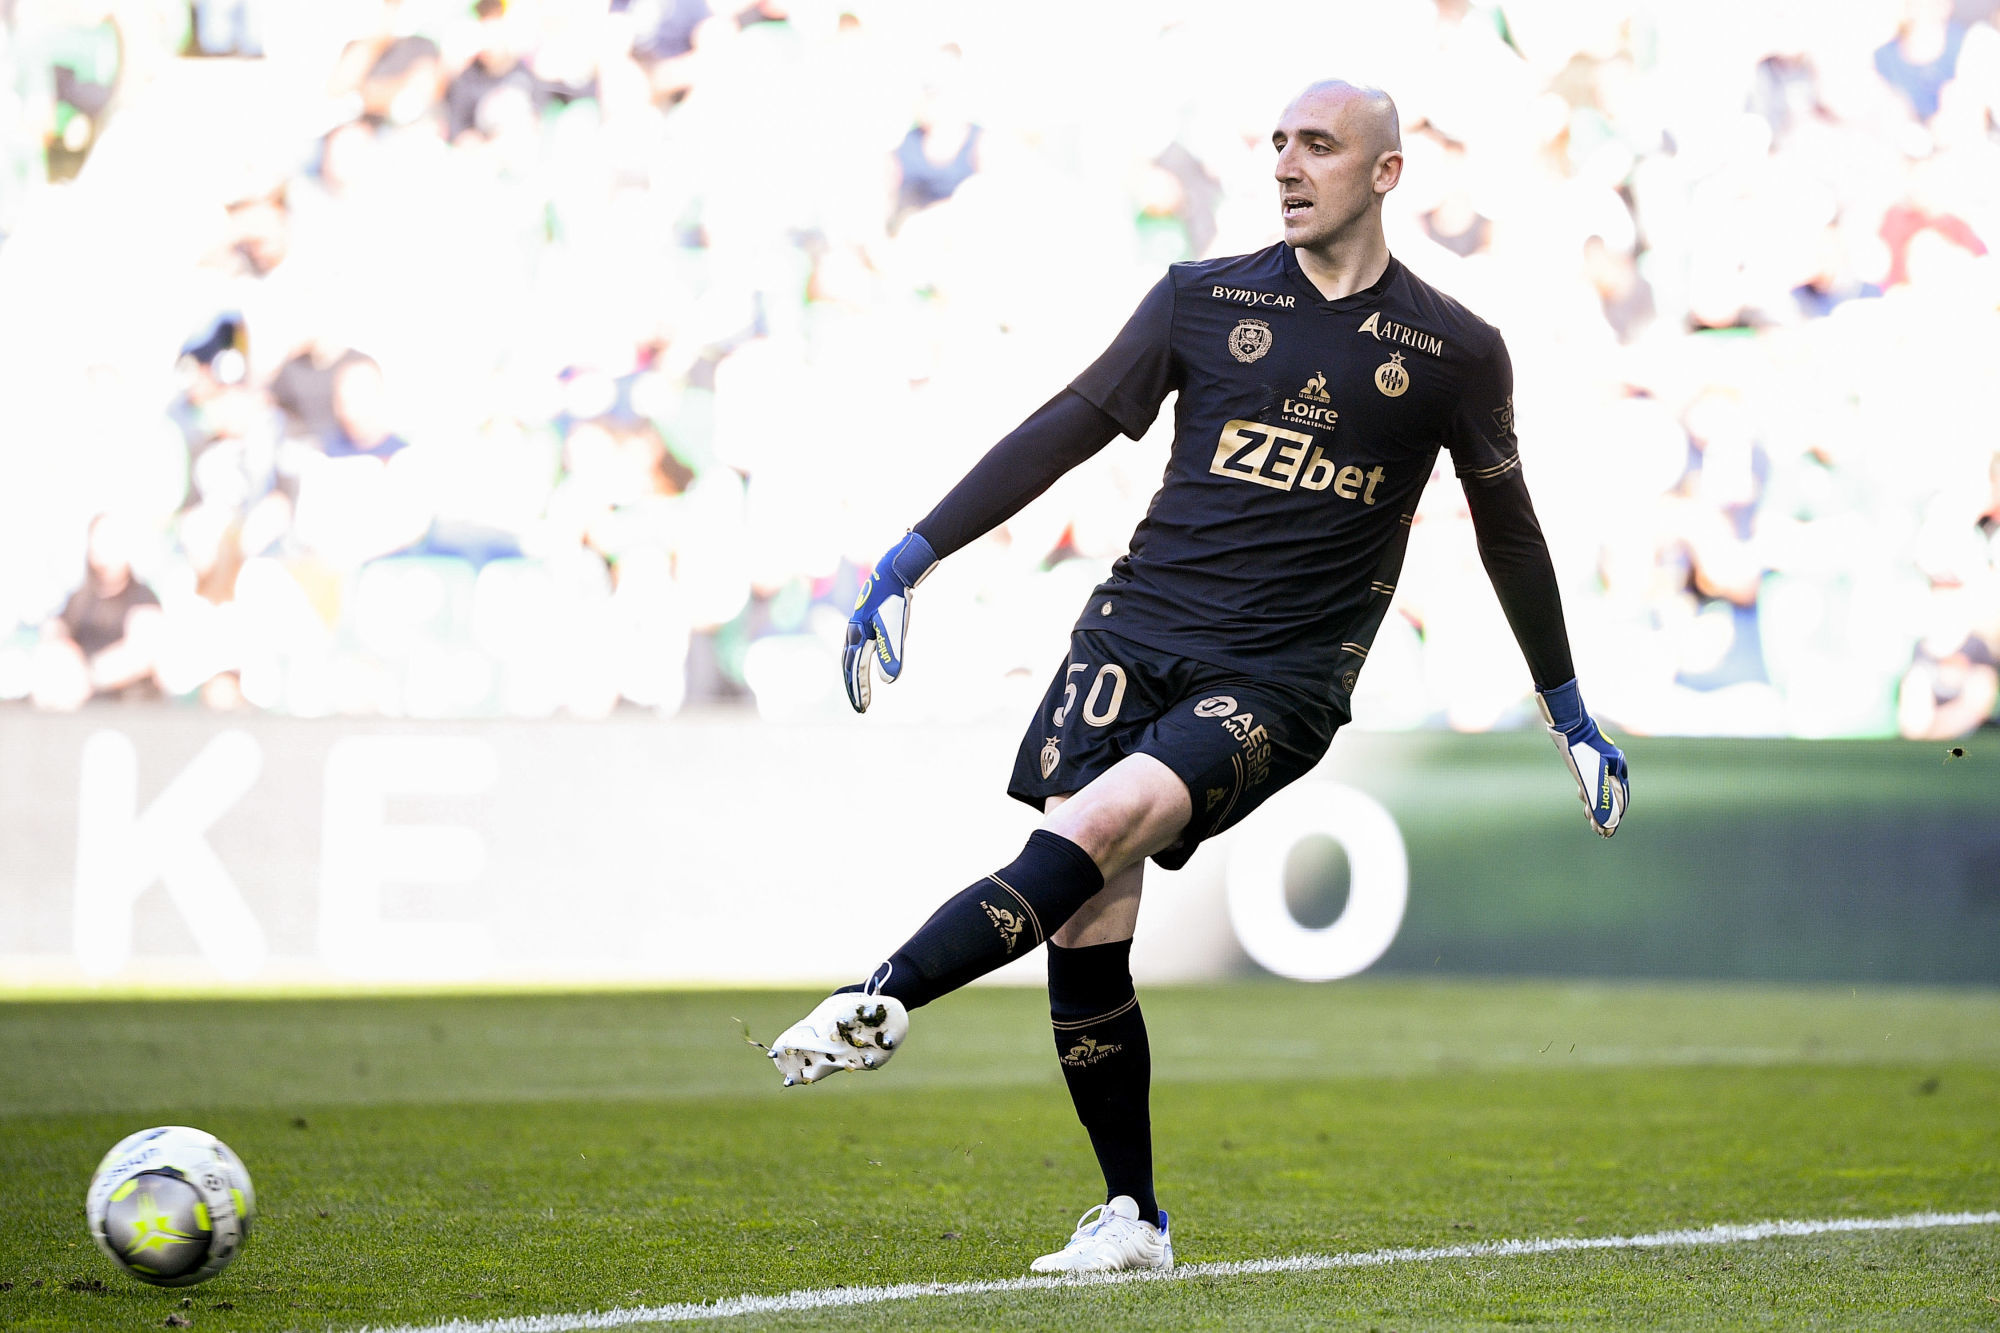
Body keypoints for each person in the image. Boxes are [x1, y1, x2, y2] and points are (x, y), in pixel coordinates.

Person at [765, 80, 1630, 1275]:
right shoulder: (1200, 298)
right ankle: (1131, 1216)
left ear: (1383, 172)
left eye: (1317, 145)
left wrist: (1566, 710)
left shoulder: (1452, 350)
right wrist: (913, 555)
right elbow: (1065, 424)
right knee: (1085, 919)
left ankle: (883, 993)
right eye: (1277, 144)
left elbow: (1509, 532)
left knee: (1097, 821)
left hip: (1278, 678)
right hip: (1127, 639)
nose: (1286, 165)